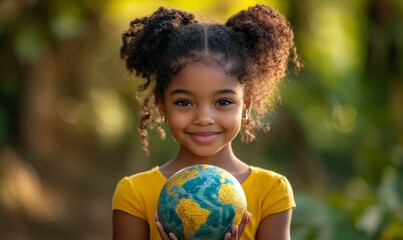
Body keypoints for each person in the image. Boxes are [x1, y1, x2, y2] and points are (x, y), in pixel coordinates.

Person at [112, 4, 302, 240]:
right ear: (162, 106)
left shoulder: (272, 191)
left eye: (223, 102)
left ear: (246, 106)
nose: (203, 118)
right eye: (184, 102)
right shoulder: (134, 193)